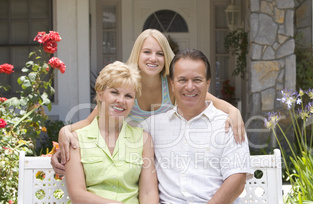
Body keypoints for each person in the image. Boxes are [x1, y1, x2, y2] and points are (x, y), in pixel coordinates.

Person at [51, 29, 245, 174]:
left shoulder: (172, 86)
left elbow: (216, 103)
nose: (153, 58)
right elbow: (89, 122)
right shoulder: (126, 87)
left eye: (160, 53)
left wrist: (235, 113)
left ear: (165, 58)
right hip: (135, 163)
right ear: (138, 54)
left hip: (168, 164)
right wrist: (64, 131)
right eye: (147, 52)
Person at [140, 49, 253, 204]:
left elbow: (237, 180)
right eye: (182, 80)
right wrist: (68, 141)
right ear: (172, 84)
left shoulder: (228, 125)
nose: (189, 86)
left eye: (197, 80)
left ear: (208, 83)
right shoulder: (153, 126)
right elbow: (112, 135)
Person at [59, 61, 159, 204]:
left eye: (129, 96)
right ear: (100, 93)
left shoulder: (143, 139)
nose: (121, 101)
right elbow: (77, 195)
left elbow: (148, 192)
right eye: (115, 92)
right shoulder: (77, 138)